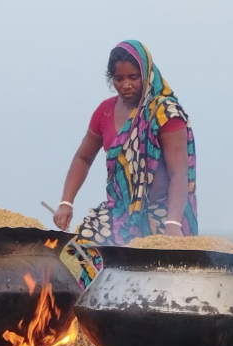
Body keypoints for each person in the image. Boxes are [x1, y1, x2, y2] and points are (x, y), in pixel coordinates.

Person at [53, 40, 197, 286]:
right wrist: (66, 202)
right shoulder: (104, 112)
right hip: (118, 212)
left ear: (147, 74)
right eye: (118, 79)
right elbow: (83, 157)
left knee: (153, 280)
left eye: (133, 77)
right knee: (96, 263)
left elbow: (178, 174)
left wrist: (173, 224)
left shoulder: (165, 114)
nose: (126, 85)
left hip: (162, 212)